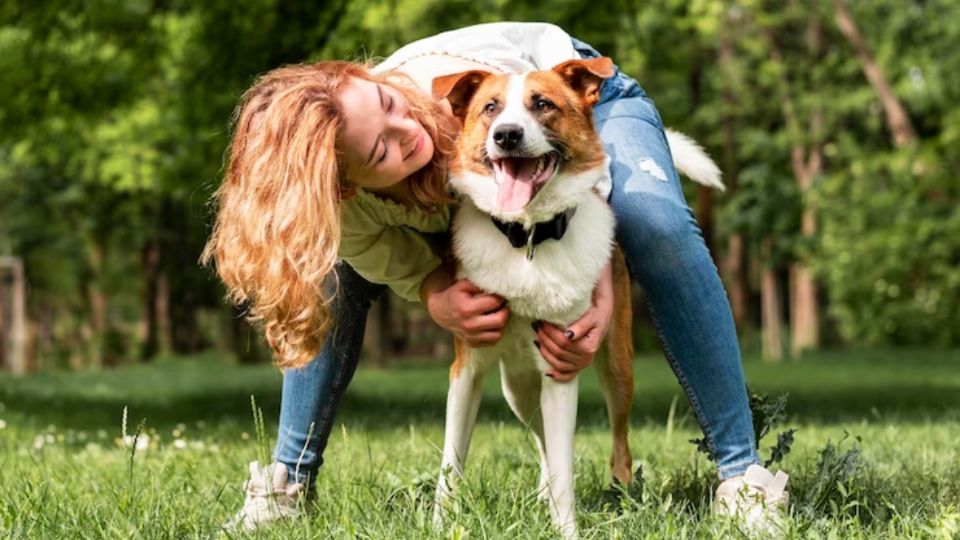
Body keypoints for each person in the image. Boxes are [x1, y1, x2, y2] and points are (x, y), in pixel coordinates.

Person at [203, 22, 789, 535]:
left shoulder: (459, 89)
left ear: (372, 79)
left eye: (387, 102)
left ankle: (743, 476)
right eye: (381, 150)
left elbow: (565, 152)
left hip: (577, 99)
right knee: (330, 272)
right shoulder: (348, 211)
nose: (405, 129)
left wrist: (600, 289)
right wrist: (435, 293)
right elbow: (393, 257)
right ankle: (287, 482)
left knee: (655, 224)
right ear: (346, 188)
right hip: (507, 179)